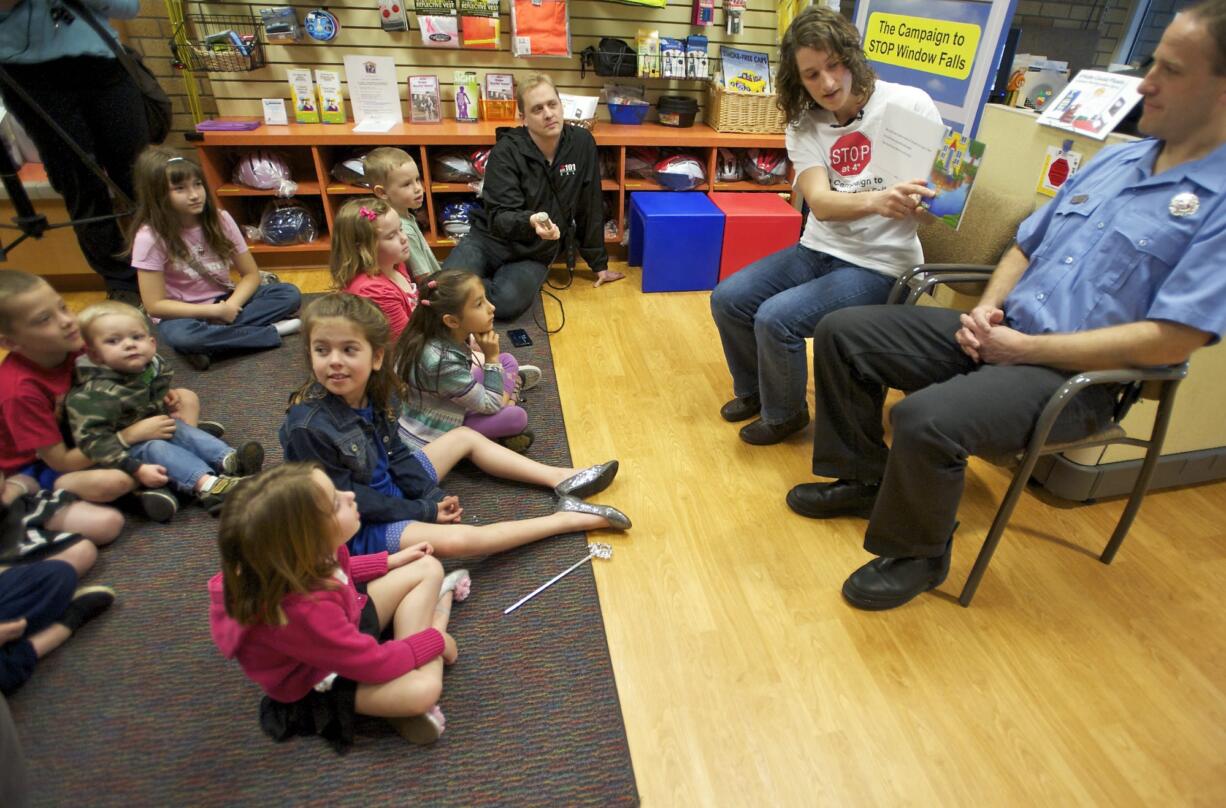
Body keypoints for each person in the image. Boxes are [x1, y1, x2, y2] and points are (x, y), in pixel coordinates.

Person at [787, 0, 1226, 611]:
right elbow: (1026, 243)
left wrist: (1025, 348)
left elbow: (1171, 341)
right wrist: (987, 310)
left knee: (925, 420)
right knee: (842, 333)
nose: (1146, 82)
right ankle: (863, 477)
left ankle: (920, 553)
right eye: (1153, 62)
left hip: (1074, 377)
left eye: (1172, 71)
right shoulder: (1121, 159)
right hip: (1003, 333)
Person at [710, 5, 942, 446]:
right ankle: (760, 391)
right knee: (728, 299)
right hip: (817, 248)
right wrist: (878, 199)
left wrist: (927, 206)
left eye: (833, 66)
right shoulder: (804, 122)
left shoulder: (909, 105)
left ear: (851, 58)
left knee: (776, 319)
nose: (828, 83)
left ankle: (786, 415)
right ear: (799, 80)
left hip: (881, 265)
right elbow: (820, 203)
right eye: (812, 75)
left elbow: (942, 199)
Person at [280, 293, 630, 560]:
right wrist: (426, 511)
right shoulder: (307, 429)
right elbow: (355, 503)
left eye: (349, 350)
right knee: (462, 541)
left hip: (389, 490)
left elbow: (397, 454)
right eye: (322, 350)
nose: (335, 362)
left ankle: (560, 477)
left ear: (376, 358)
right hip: (359, 525)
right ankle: (567, 519)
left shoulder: (374, 392)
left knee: (463, 436)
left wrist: (429, 497)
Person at [208, 463, 469, 748]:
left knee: (427, 566)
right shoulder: (307, 611)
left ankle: (399, 682)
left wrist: (386, 562)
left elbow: (337, 567)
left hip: (343, 624)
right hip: (320, 676)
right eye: (335, 502)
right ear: (308, 539)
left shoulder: (298, 556)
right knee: (424, 690)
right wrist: (436, 640)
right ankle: (434, 624)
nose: (350, 496)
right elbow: (371, 663)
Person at [0, 271, 201, 519]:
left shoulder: (77, 344)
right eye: (44, 319)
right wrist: (129, 436)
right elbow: (61, 461)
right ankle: (154, 479)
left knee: (186, 398)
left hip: (99, 428)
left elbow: (128, 375)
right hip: (51, 463)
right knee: (113, 481)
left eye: (63, 307)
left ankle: (169, 462)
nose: (66, 321)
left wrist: (157, 390)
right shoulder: (19, 391)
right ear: (11, 343)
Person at [441, 72, 623, 319]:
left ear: (561, 105)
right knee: (446, 287)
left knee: (505, 303)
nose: (548, 114)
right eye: (537, 109)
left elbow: (589, 204)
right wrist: (530, 221)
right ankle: (469, 294)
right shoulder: (506, 151)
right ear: (523, 117)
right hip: (491, 239)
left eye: (552, 104)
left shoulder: (582, 143)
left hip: (535, 251)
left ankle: (470, 297)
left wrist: (598, 263)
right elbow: (499, 218)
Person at [0, 0, 148, 303]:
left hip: (104, 66)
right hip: (29, 76)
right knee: (80, 183)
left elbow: (129, 8)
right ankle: (122, 283)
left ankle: (165, 263)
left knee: (140, 175)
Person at [66, 301, 265, 518]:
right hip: (119, 448)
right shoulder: (92, 395)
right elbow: (95, 445)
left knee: (178, 428)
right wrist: (136, 468)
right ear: (95, 355)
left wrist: (162, 395)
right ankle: (210, 487)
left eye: (136, 337)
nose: (130, 345)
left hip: (150, 423)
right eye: (113, 341)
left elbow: (158, 380)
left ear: (152, 343)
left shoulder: (151, 364)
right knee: (156, 448)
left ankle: (230, 460)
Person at [127, 146, 302, 371]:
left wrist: (230, 306)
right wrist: (212, 312)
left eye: (197, 184)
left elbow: (250, 274)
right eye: (180, 188)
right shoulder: (149, 237)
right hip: (183, 314)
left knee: (288, 294)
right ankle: (269, 332)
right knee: (184, 337)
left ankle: (214, 344)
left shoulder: (221, 219)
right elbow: (155, 305)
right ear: (158, 195)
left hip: (224, 299)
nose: (194, 195)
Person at [394, 270, 541, 453]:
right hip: (440, 431)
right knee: (516, 417)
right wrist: (491, 357)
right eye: (479, 304)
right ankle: (508, 401)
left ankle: (506, 398)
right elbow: (491, 405)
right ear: (452, 321)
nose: (492, 307)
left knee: (507, 360)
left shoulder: (434, 333)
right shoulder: (441, 363)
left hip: (449, 399)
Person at [330, 197, 421, 340]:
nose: (404, 238)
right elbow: (406, 343)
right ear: (363, 248)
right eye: (391, 236)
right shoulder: (374, 291)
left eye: (400, 229)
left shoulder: (394, 263)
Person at [364, 147, 442, 284]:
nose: (418, 188)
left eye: (417, 179)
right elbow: (424, 278)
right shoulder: (404, 230)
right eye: (406, 184)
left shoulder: (405, 218)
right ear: (382, 192)